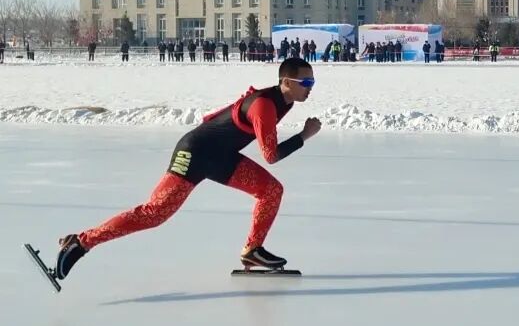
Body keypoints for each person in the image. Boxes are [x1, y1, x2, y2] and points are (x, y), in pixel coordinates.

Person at [50, 57, 322, 282]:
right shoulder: (265, 104)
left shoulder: (284, 100)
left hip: (221, 156)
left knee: (271, 190)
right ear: (286, 82)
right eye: (306, 82)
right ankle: (81, 242)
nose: (310, 88)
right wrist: (304, 135)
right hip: (194, 153)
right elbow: (270, 155)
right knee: (155, 213)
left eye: (312, 82)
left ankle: (253, 249)